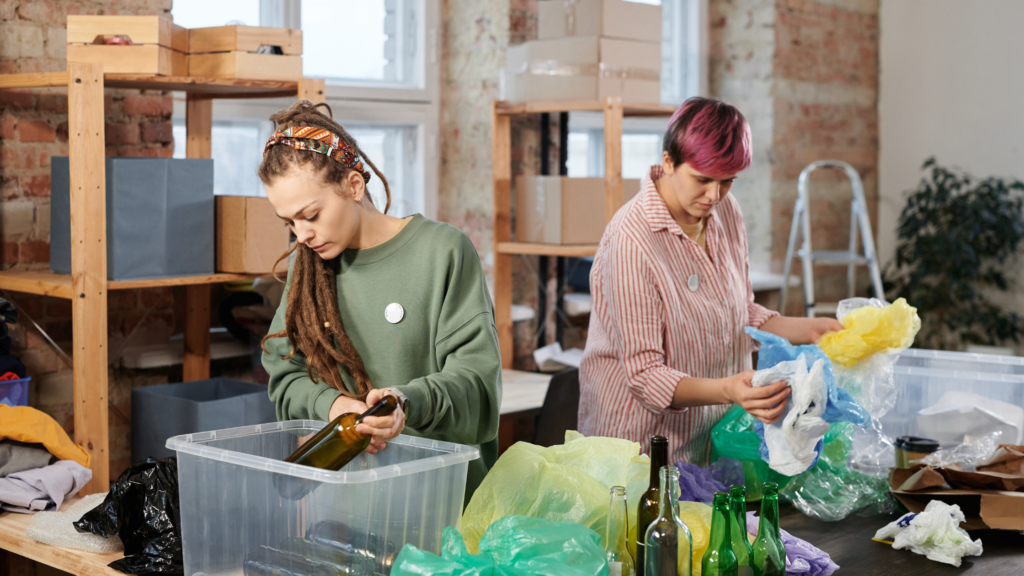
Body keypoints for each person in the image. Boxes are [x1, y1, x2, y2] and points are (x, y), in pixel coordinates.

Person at [259, 100, 502, 501]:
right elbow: (285, 375)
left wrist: (404, 403)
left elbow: (477, 384)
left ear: (354, 185)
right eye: (290, 223)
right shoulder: (311, 269)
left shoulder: (442, 252)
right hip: (350, 511)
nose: (302, 235)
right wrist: (334, 406)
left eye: (312, 215)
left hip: (442, 507)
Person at [578, 97, 843, 465]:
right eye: (702, 180)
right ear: (668, 162)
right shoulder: (631, 240)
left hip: (710, 438)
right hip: (639, 448)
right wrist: (728, 390)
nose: (714, 196)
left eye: (727, 182)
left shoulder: (725, 212)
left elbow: (739, 312)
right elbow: (645, 377)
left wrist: (812, 330)